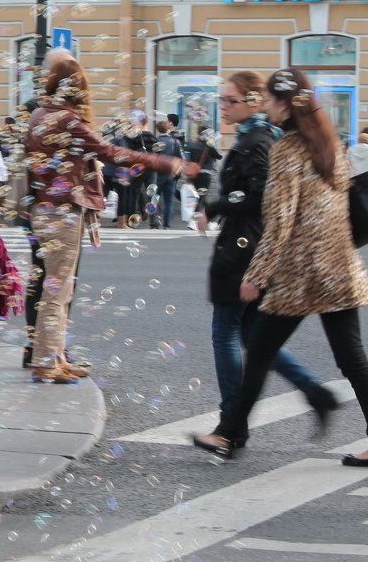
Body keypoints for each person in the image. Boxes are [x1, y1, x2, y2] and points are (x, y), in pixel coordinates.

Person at [193, 67, 368, 466]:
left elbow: (280, 219)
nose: (264, 106)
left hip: (301, 274)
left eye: (268, 99)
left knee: (261, 353)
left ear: (284, 105)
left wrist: (256, 275)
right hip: (339, 268)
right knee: (352, 358)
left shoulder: (287, 150)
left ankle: (229, 433)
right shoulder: (329, 144)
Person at [26, 59, 194, 383]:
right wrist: (161, 161)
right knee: (58, 291)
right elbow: (109, 151)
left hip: (47, 207)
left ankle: (56, 356)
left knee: (61, 289)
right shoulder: (66, 119)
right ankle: (46, 361)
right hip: (61, 209)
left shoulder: (40, 114)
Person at [193, 71, 335, 449]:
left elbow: (258, 198)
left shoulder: (256, 140)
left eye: (229, 100)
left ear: (254, 101)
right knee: (256, 341)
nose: (222, 106)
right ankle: (315, 393)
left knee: (225, 333)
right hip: (249, 247)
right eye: (221, 100)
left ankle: (229, 426)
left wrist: (214, 204)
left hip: (244, 250)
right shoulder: (255, 137)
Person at [152, 121, 182, 229]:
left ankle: (157, 216)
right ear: (168, 129)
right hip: (171, 175)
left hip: (158, 174)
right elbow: (181, 159)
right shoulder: (175, 141)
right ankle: (167, 225)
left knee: (154, 198)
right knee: (169, 201)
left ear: (157, 130)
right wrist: (176, 171)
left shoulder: (156, 141)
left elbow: (152, 159)